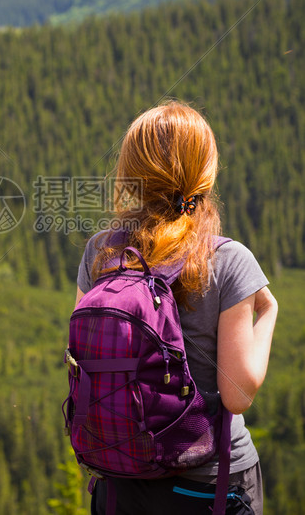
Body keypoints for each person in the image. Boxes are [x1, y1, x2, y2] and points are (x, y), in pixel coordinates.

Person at [75, 101, 278, 515]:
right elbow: (238, 394)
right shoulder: (229, 259)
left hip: (120, 482)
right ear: (204, 173)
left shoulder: (101, 251)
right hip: (209, 485)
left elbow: (82, 358)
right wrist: (269, 310)